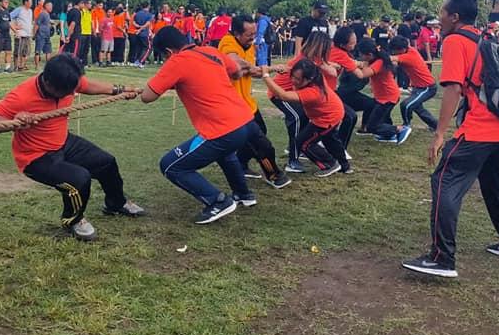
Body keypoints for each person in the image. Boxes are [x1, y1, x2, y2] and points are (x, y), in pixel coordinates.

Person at [402, 0, 499, 279]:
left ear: (455, 17)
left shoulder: (456, 41)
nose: (440, 19)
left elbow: (453, 89)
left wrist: (439, 134)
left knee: (444, 180)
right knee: (493, 184)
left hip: (480, 129)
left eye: (443, 13)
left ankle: (441, 258)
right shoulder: (484, 40)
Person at [0, 55, 145, 241]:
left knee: (106, 162)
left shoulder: (68, 80)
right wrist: (15, 122)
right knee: (79, 180)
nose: (73, 92)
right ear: (48, 82)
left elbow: (89, 86)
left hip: (63, 142)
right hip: (35, 157)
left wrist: (119, 90)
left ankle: (116, 203)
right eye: (67, 91)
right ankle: (73, 220)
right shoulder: (22, 96)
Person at [140, 25, 262, 222]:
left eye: (163, 56)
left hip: (224, 128)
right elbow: (237, 72)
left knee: (170, 165)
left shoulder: (177, 61)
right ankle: (243, 194)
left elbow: (147, 96)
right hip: (247, 122)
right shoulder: (211, 51)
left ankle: (218, 201)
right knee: (225, 153)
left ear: (169, 52)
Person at [218, 15, 292, 188]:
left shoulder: (249, 46)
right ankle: (272, 174)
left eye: (254, 33)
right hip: (234, 108)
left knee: (260, 133)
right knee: (262, 145)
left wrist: (269, 70)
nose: (253, 37)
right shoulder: (227, 43)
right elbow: (235, 63)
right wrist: (266, 67)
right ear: (236, 33)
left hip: (248, 104)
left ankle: (241, 164)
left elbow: (254, 72)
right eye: (249, 34)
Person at [262, 59, 350, 177]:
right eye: (292, 76)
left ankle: (330, 164)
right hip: (333, 111)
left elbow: (284, 96)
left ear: (309, 79)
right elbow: (311, 64)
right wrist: (281, 68)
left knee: (304, 143)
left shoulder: (313, 92)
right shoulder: (314, 75)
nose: (293, 80)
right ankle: (345, 165)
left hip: (327, 118)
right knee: (330, 139)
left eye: (298, 79)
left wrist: (266, 75)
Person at [355, 38, 411, 144]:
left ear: (370, 54)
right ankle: (390, 135)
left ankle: (400, 129)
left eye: (361, 54)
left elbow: (363, 74)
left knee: (372, 126)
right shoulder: (376, 60)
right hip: (383, 97)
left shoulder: (379, 63)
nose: (360, 56)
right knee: (381, 116)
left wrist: (350, 66)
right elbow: (364, 65)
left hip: (388, 97)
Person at [388, 36, 438, 131]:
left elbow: (391, 59)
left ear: (402, 49)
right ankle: (436, 125)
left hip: (427, 88)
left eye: (395, 51)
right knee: (418, 108)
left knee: (406, 105)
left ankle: (406, 126)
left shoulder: (409, 56)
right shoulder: (408, 49)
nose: (393, 52)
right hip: (417, 87)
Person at [11, 0, 34, 72]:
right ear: (26, 2)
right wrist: (15, 27)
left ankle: (22, 65)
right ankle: (16, 66)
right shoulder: (19, 10)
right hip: (20, 34)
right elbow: (8, 17)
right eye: (30, 2)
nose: (31, 3)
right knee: (18, 51)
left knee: (25, 51)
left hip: (27, 34)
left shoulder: (30, 11)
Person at [33, 0, 54, 69]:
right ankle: (37, 66)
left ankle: (48, 66)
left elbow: (46, 24)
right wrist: (34, 34)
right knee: (38, 51)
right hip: (40, 35)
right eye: (50, 6)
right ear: (46, 6)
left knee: (48, 51)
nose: (51, 7)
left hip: (47, 36)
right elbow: (37, 25)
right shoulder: (42, 14)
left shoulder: (47, 14)